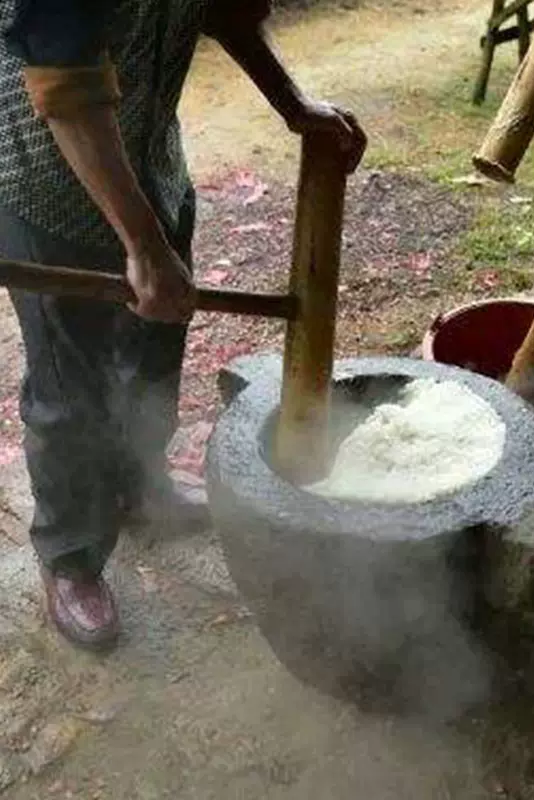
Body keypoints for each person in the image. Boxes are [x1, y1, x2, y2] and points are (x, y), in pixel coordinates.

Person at [0, 0, 367, 650]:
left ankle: (143, 488)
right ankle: (72, 554)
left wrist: (291, 102)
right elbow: (64, 80)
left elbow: (223, 6)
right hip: (42, 176)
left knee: (155, 341)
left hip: (145, 155)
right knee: (70, 385)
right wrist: (143, 247)